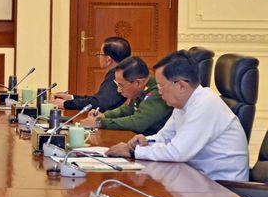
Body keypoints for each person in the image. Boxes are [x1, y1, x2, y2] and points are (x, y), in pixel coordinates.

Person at [106, 50, 250, 182]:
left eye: (161, 86)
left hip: (223, 188)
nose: (159, 92)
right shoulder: (184, 103)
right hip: (198, 179)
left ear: (180, 85)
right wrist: (144, 141)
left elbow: (177, 152)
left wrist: (133, 152)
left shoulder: (206, 104)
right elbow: (165, 137)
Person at [78, 56, 172, 135]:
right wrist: (103, 116)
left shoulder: (158, 93)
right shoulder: (141, 89)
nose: (118, 90)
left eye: (121, 85)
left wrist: (100, 123)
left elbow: (137, 123)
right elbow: (127, 109)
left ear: (138, 83)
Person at [52, 36, 128, 111]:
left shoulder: (117, 76)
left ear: (108, 60)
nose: (99, 57)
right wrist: (71, 98)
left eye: (100, 54)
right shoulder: (124, 71)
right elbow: (98, 99)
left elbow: (99, 103)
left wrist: (65, 104)